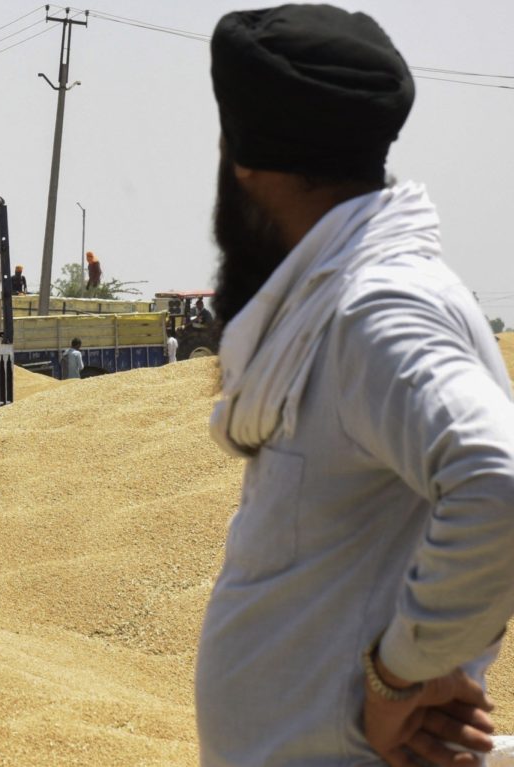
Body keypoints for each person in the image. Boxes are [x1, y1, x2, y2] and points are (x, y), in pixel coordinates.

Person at [194, 6, 514, 767]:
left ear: (245, 161)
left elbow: (496, 481)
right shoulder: (339, 303)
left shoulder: (372, 308)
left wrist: (399, 676)